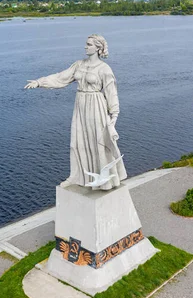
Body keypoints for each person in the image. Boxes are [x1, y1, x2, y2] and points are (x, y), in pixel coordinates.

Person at [24, 34, 127, 190]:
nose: (85, 47)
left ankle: (105, 179)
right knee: (77, 141)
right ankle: (77, 175)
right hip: (81, 104)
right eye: (86, 44)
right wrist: (39, 82)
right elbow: (61, 78)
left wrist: (114, 115)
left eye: (89, 44)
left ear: (98, 48)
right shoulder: (79, 64)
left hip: (96, 106)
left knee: (97, 141)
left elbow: (111, 92)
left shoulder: (104, 69)